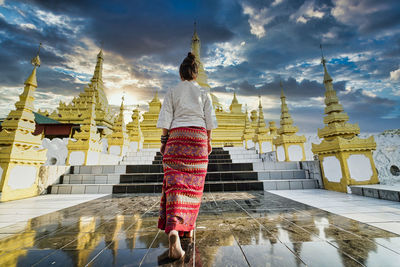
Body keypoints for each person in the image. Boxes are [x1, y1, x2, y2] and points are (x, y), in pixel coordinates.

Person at [156, 52, 217, 260]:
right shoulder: (203, 92)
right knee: (193, 188)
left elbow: (165, 121)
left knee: (175, 186)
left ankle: (174, 230)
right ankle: (187, 229)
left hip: (177, 138)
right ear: (195, 75)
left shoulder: (172, 91)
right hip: (198, 139)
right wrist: (208, 143)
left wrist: (164, 144)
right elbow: (210, 123)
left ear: (181, 75)